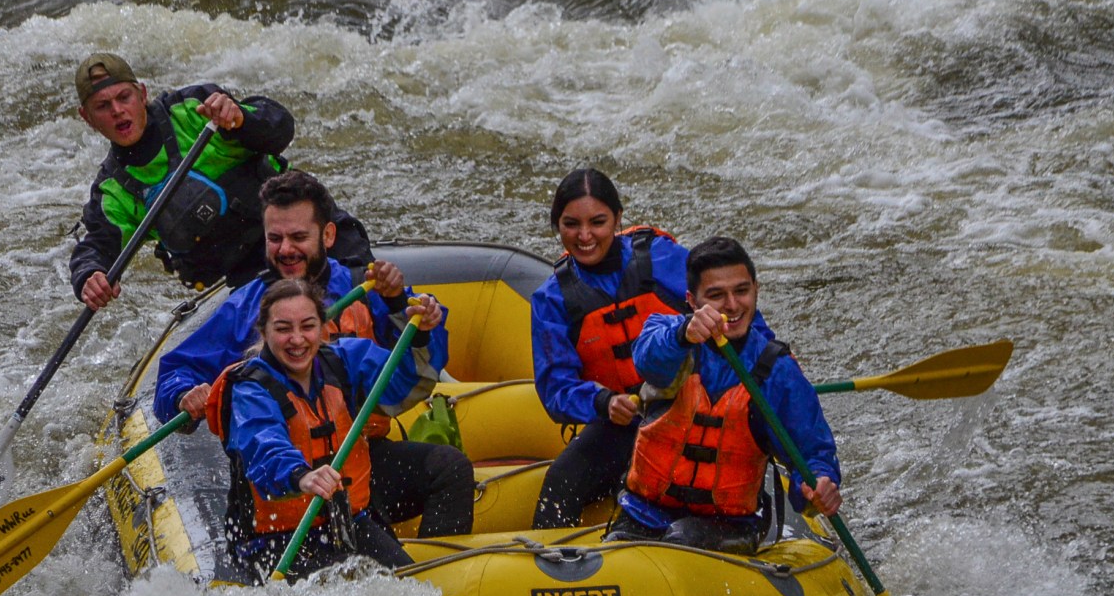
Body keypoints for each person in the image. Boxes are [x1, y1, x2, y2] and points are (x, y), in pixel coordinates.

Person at [154, 170, 475, 537]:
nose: (285, 249)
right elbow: (176, 371)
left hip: (359, 455)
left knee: (449, 469)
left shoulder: (367, 290)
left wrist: (411, 313)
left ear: (327, 236)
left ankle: (441, 578)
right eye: (274, 238)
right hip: (280, 477)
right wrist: (183, 395)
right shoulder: (246, 308)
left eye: (298, 237)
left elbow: (418, 367)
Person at [530, 168, 768, 529]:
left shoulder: (660, 257)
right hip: (622, 421)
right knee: (560, 483)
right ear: (557, 226)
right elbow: (555, 387)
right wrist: (604, 402)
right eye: (571, 225)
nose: (585, 236)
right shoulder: (551, 299)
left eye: (597, 222)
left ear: (618, 219)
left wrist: (770, 371)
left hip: (694, 410)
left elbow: (734, 312)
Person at [68, 52, 372, 308]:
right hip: (246, 279)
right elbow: (97, 246)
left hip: (312, 243)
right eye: (103, 106)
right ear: (87, 118)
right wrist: (89, 274)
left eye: (124, 97)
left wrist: (240, 119)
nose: (118, 111)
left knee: (370, 302)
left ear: (142, 94)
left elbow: (280, 126)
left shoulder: (195, 109)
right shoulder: (113, 191)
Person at [609, 236, 842, 553]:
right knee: (624, 546)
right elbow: (649, 360)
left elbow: (813, 453)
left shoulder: (777, 371)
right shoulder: (668, 336)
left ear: (756, 289)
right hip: (643, 514)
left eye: (741, 291)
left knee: (682, 539)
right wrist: (684, 334)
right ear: (692, 300)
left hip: (727, 526)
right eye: (716, 295)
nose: (732, 306)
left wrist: (819, 484)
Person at [204, 278, 445, 580]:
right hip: (276, 540)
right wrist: (302, 476)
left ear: (322, 327)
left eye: (307, 326)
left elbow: (405, 384)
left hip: (347, 524)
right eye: (283, 329)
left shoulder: (345, 361)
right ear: (264, 331)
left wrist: (421, 337)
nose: (297, 339)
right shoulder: (250, 390)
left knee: (416, 595)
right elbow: (263, 445)